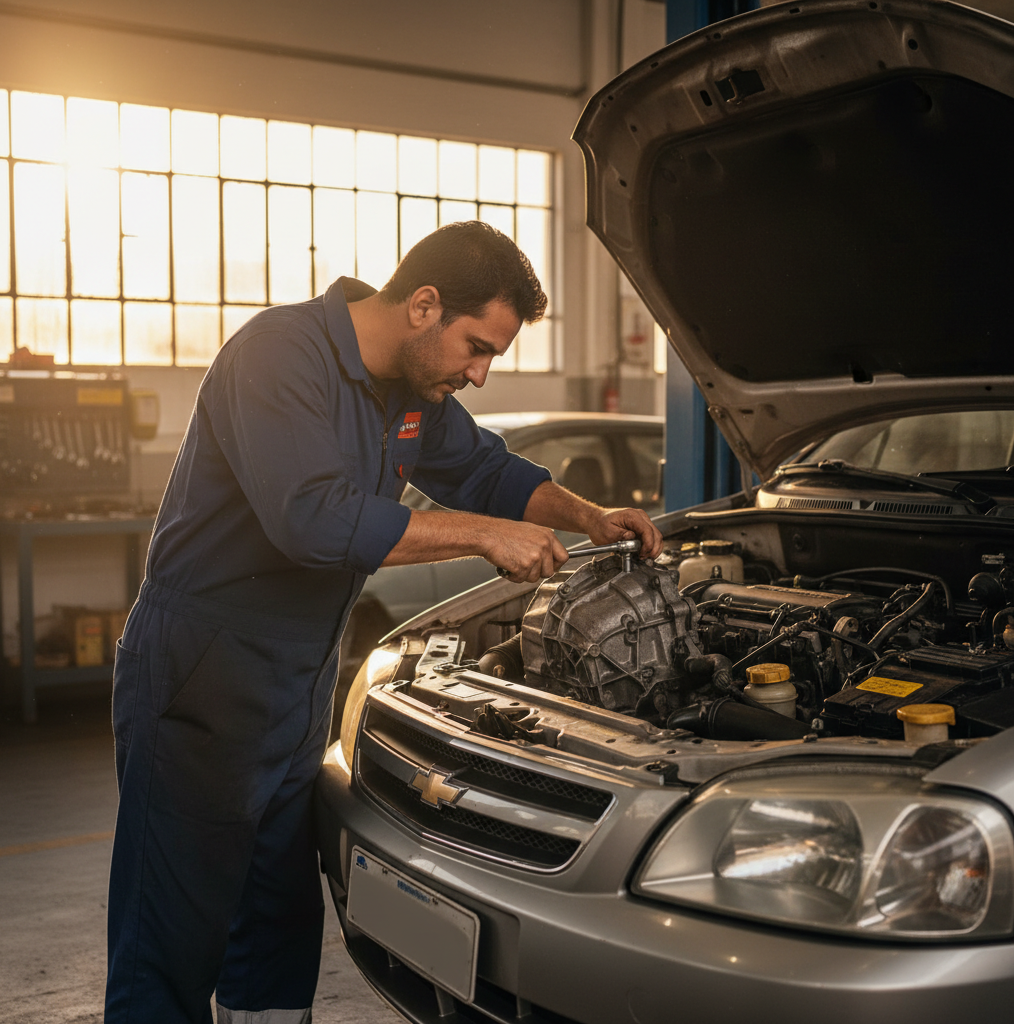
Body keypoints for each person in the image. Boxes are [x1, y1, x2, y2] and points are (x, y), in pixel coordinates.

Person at [105, 221, 661, 1024]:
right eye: (477, 347)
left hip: (300, 676)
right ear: (423, 306)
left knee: (277, 921)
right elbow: (312, 521)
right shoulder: (280, 355)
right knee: (174, 927)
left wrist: (587, 515)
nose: (479, 373)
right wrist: (480, 533)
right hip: (203, 668)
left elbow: (483, 468)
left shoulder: (412, 393)